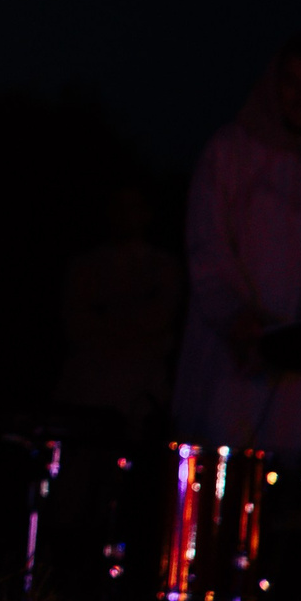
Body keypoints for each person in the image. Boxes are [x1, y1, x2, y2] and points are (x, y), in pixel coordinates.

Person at [173, 35, 301, 455]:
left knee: (294, 477)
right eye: (292, 83)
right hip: (229, 359)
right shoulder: (229, 150)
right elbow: (206, 245)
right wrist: (236, 316)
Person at [54, 183, 182, 432]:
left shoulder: (164, 267)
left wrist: (110, 320)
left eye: (132, 207)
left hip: (142, 389)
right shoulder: (85, 266)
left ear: (146, 213)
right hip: (88, 387)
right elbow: (75, 322)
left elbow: (161, 318)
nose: (124, 216)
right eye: (118, 207)